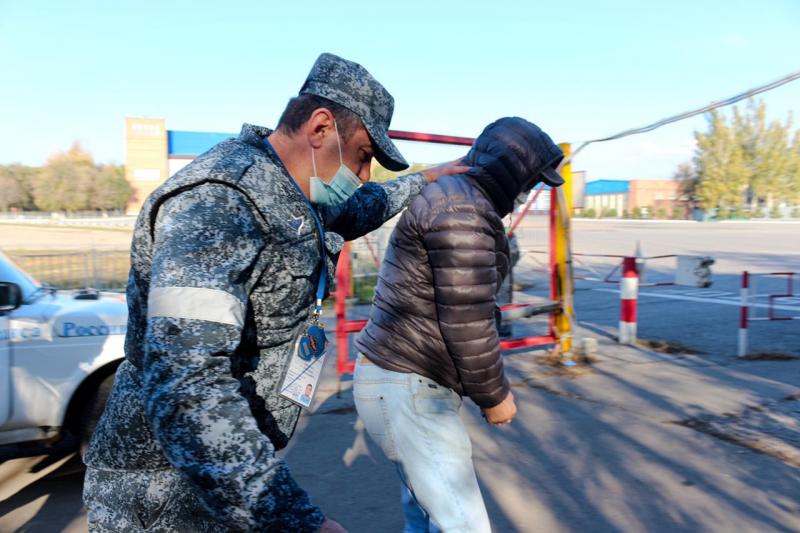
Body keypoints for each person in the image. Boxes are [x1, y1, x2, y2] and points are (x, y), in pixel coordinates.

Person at [83, 53, 467, 532]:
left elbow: (360, 208)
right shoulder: (219, 201)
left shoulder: (297, 190)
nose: (365, 174)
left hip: (223, 476)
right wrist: (300, 523)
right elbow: (188, 387)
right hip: (165, 489)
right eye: (364, 157)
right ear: (321, 128)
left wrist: (426, 180)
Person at [353, 117, 565, 533]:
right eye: (530, 181)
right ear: (512, 170)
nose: (526, 195)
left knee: (427, 518)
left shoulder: (460, 199)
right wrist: (494, 396)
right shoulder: (462, 210)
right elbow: (466, 319)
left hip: (401, 383)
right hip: (410, 388)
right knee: (463, 525)